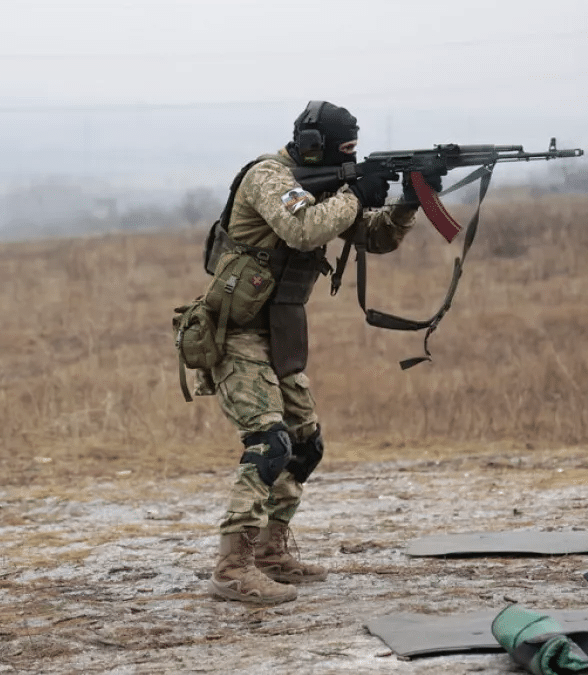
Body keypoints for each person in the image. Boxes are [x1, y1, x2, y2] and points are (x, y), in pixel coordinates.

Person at [202, 101, 442, 604]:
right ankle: (231, 567)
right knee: (270, 443)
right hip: (238, 331)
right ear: (314, 148)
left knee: (305, 443)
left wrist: (411, 198)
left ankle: (270, 552)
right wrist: (356, 194)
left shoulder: (329, 189)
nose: (351, 160)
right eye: (345, 152)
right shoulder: (268, 177)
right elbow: (304, 229)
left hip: (281, 332)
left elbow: (375, 237)